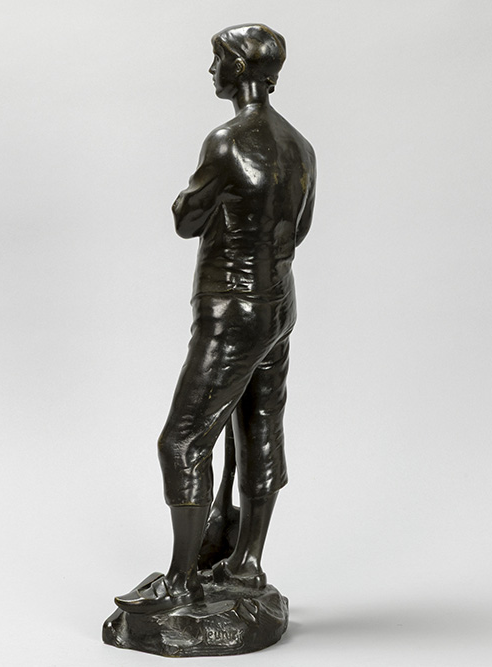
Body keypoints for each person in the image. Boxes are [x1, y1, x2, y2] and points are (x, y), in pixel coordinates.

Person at [115, 23, 316, 614]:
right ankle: (245, 562)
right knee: (260, 427)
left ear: (240, 69)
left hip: (233, 308)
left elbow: (186, 220)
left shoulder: (226, 141)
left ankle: (182, 581)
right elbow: (300, 228)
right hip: (279, 303)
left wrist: (199, 201)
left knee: (181, 441)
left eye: (217, 60)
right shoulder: (301, 146)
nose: (211, 71)